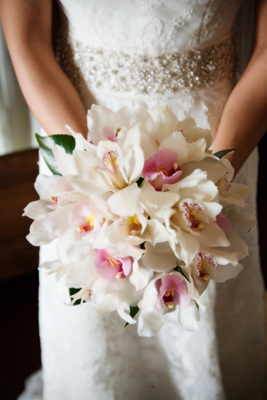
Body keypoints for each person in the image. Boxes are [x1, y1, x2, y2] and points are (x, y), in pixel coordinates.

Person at [0, 0, 266, 399]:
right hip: (81, 142)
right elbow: (28, 39)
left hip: (219, 145)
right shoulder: (85, 163)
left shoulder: (218, 168)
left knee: (208, 304)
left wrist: (215, 177)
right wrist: (95, 178)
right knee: (93, 316)